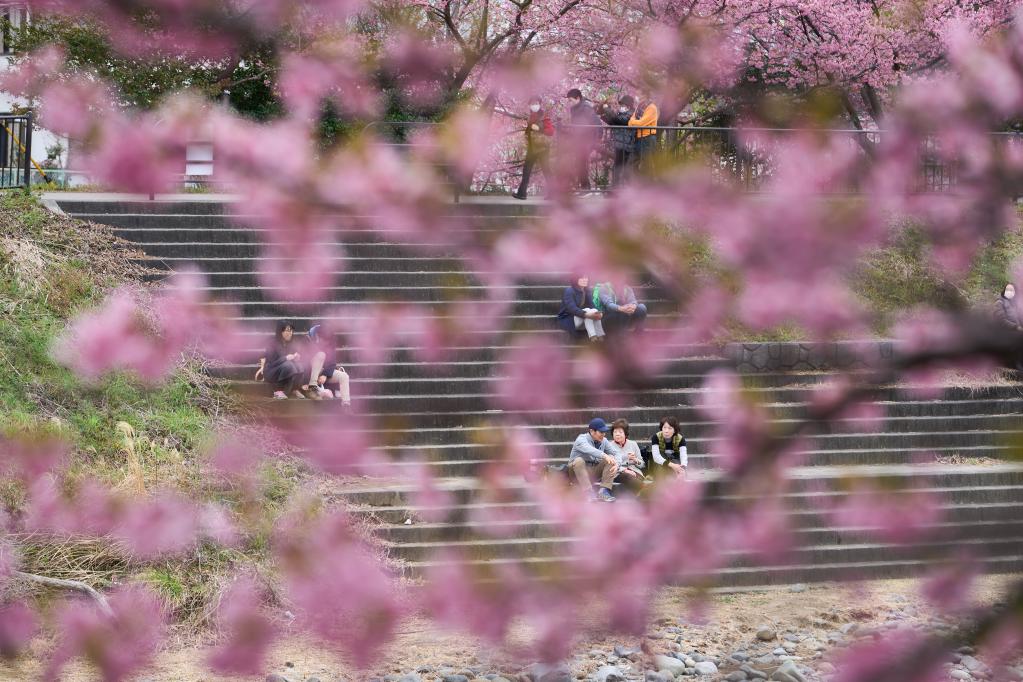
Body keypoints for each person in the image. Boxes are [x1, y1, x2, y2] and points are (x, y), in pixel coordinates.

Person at [255, 320, 311, 400]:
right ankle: (278, 391)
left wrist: (296, 358)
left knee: (299, 366)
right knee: (288, 365)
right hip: (271, 371)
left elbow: (292, 360)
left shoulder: (291, 344)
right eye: (287, 330)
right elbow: (271, 363)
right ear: (280, 331)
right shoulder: (272, 343)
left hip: (285, 369)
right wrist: (285, 358)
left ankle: (294, 389)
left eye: (291, 330)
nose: (290, 333)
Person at [568, 418, 619, 502]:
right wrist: (604, 455)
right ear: (592, 431)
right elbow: (589, 449)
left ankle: (604, 491)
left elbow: (616, 453)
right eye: (601, 432)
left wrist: (617, 464)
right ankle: (588, 492)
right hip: (576, 473)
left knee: (611, 459)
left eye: (604, 432)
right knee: (578, 460)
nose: (604, 434)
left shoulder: (604, 441)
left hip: (592, 472)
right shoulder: (581, 439)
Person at [513, 96, 554, 200]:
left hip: (542, 148)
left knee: (546, 170)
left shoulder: (544, 115)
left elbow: (551, 131)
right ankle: (522, 193)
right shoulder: (531, 116)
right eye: (532, 103)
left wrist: (539, 128)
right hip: (532, 147)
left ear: (540, 104)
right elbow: (530, 131)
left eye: (536, 103)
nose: (534, 105)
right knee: (526, 170)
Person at [564, 88, 603, 193]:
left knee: (581, 163)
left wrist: (598, 138)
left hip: (587, 140)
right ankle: (584, 187)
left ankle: (586, 188)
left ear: (578, 98)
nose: (569, 103)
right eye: (569, 100)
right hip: (579, 140)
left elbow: (597, 122)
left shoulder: (586, 108)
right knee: (579, 163)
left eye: (571, 100)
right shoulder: (574, 109)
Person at [307, 324, 352, 406]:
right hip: (312, 374)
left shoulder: (330, 345)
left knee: (344, 376)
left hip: (324, 374)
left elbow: (332, 363)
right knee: (321, 354)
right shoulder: (310, 344)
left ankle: (346, 404)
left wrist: (325, 375)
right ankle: (312, 388)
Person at [600, 95, 636, 187]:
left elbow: (618, 120)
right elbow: (613, 122)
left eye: (623, 105)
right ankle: (617, 188)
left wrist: (607, 109)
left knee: (620, 167)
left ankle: (617, 189)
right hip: (620, 143)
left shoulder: (630, 114)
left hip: (625, 144)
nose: (621, 107)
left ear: (628, 106)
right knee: (619, 167)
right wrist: (603, 115)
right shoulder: (623, 114)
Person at [556, 274, 605, 341]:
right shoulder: (569, 291)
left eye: (586, 278)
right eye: (581, 278)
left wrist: (599, 313)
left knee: (593, 310)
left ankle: (597, 336)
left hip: (582, 318)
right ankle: (595, 337)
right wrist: (586, 314)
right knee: (587, 311)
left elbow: (592, 306)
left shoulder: (586, 291)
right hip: (568, 319)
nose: (584, 280)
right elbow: (572, 308)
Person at [608, 418, 646, 493]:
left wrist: (636, 460)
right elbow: (610, 465)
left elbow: (643, 465)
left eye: (620, 432)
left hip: (635, 471)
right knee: (628, 477)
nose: (617, 434)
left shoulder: (633, 444)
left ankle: (645, 490)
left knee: (637, 478)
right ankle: (647, 489)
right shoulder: (609, 446)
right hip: (618, 473)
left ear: (625, 434)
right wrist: (625, 470)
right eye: (615, 432)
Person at [649, 416, 687, 480]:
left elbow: (683, 455)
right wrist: (672, 465)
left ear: (674, 430)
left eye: (670, 428)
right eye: (664, 428)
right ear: (662, 428)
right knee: (661, 470)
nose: (666, 431)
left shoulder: (680, 439)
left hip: (674, 460)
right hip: (661, 462)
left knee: (679, 471)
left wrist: (682, 468)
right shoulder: (656, 437)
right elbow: (656, 457)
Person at [628, 95, 659, 167]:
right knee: (631, 163)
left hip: (647, 138)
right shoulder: (639, 107)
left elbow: (641, 123)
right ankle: (635, 178)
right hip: (638, 138)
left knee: (647, 165)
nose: (638, 96)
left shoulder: (652, 107)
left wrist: (633, 121)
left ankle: (650, 178)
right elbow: (629, 123)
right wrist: (634, 121)